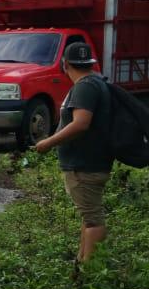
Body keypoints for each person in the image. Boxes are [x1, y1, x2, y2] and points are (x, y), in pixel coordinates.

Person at [34, 43, 113, 263]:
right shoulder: (96, 81)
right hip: (91, 161)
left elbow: (81, 124)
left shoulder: (85, 87)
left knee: (93, 220)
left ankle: (91, 272)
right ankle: (81, 260)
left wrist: (48, 142)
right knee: (89, 218)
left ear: (65, 64)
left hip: (84, 164)